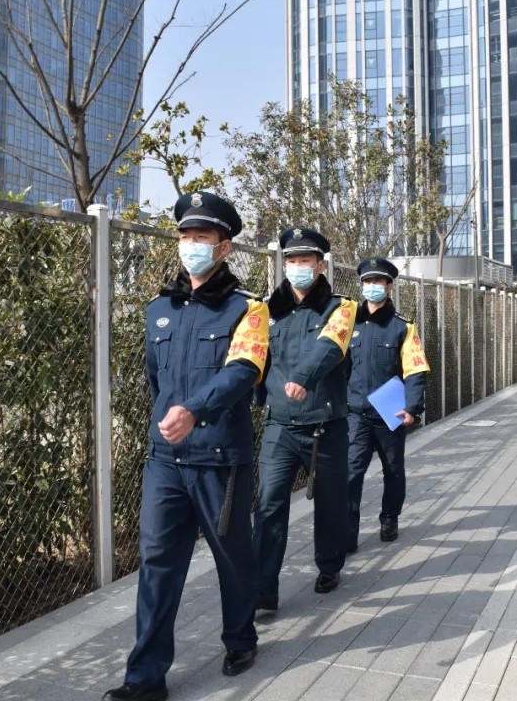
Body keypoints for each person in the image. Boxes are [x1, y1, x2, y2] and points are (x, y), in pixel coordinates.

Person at [104, 192, 269, 701]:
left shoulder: (250, 310)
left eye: (203, 237)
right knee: (157, 562)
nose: (191, 245)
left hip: (220, 459)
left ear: (224, 247)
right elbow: (155, 381)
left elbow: (243, 371)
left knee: (232, 557)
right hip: (165, 460)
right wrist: (171, 419)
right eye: (186, 236)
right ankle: (145, 679)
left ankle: (240, 639)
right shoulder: (159, 309)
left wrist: (194, 410)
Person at [253, 227, 357, 615]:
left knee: (330, 503)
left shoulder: (341, 308)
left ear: (320, 265)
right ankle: (263, 589)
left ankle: (329, 565)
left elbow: (330, 347)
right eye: (292, 260)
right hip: (280, 425)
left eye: (305, 260)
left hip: (325, 425)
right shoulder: (266, 310)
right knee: (268, 503)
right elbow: (257, 358)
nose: (298, 266)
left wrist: (302, 377)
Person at [345, 256, 429, 552]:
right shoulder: (349, 324)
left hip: (389, 411)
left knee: (393, 470)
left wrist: (412, 407)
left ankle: (390, 518)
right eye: (367, 281)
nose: (372, 286)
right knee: (351, 473)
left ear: (389, 287)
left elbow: (415, 369)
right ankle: (347, 531)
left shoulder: (403, 327)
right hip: (355, 413)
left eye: (377, 281)